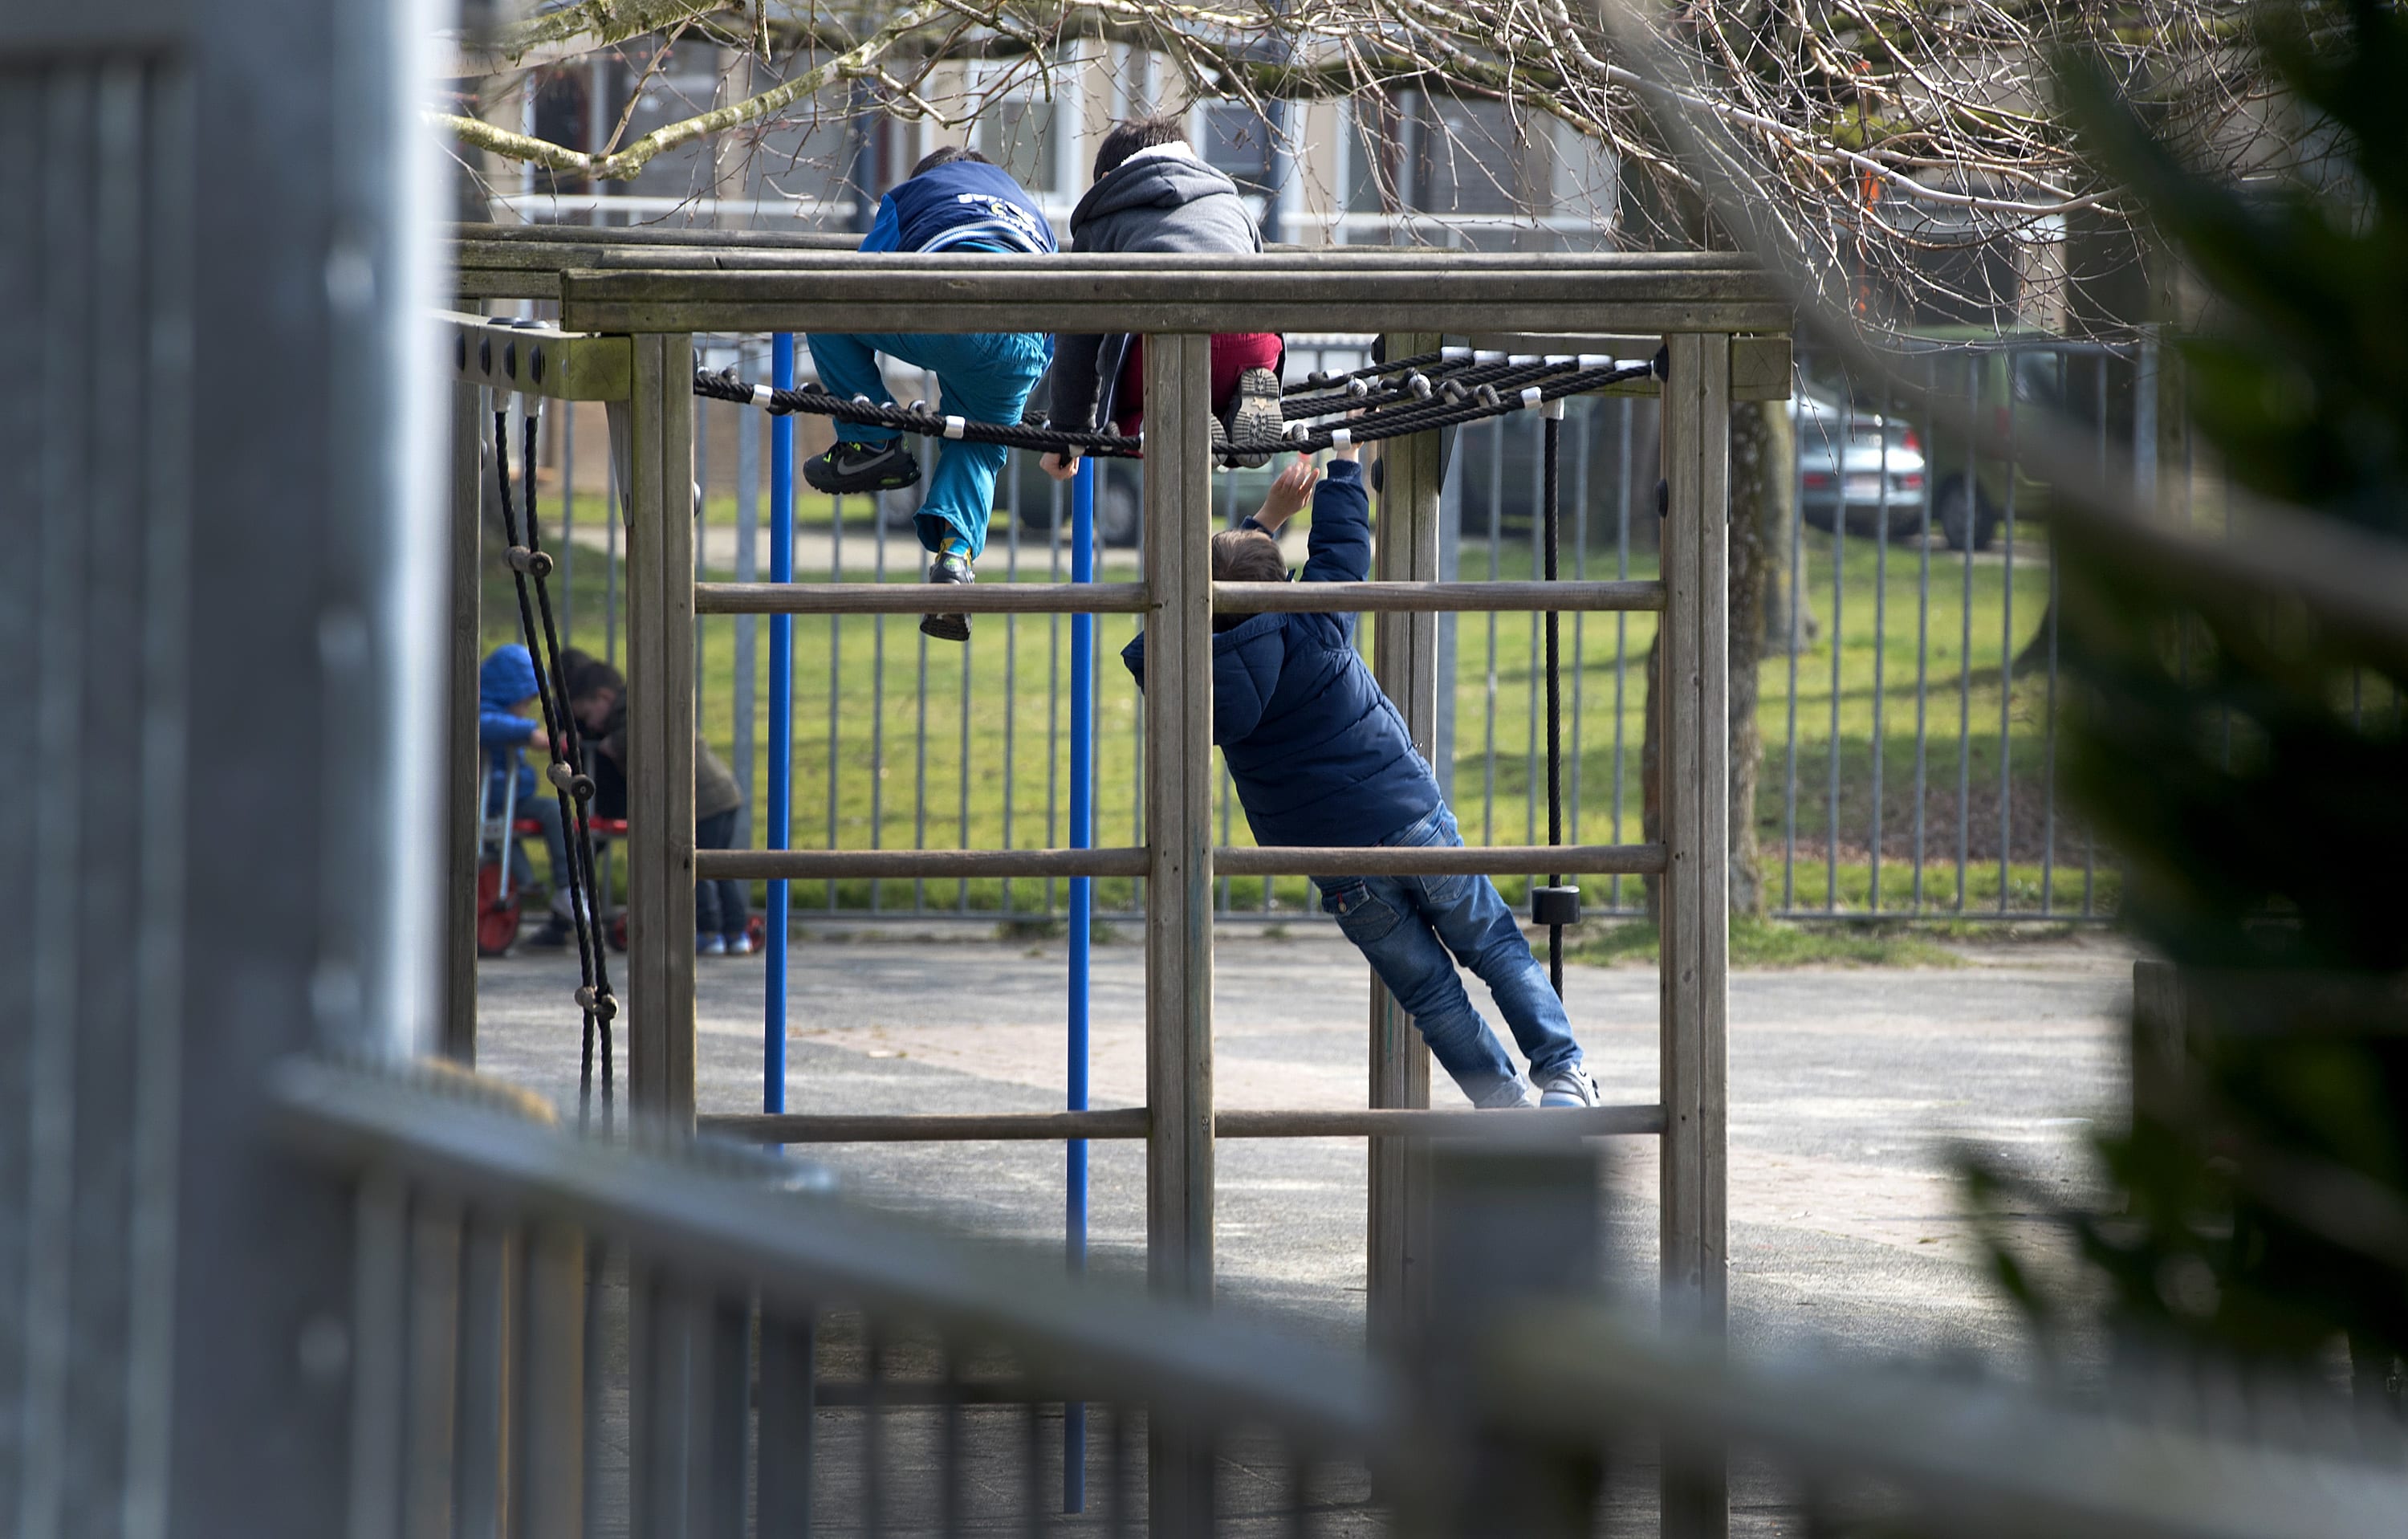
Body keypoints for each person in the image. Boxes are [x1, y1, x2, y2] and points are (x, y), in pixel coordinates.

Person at [1121, 447, 1604, 1109]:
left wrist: (1260, 521)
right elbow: (1344, 546)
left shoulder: (1196, 676)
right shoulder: (1314, 624)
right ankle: (1565, 1071)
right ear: (1283, 585)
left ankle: (1502, 1104)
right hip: (1409, 816)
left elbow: (1202, 598)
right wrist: (1344, 464)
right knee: (1492, 944)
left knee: (1431, 994)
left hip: (1338, 863)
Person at [803, 145, 1057, 643]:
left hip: (948, 311)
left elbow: (861, 280)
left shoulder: (914, 194)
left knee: (820, 303)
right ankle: (955, 564)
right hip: (1026, 340)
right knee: (979, 446)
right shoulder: (1029, 209)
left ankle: (871, 439)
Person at [1039, 115, 1284, 478]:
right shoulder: (1231, 205)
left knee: (1119, 415)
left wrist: (1066, 434)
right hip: (1251, 344)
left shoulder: (1105, 216)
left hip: (1160, 345)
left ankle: (1154, 424)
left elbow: (1078, 333)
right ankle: (1233, 414)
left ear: (1108, 181)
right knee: (1214, 377)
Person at [565, 657, 754, 958]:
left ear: (604, 697)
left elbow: (640, 735)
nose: (591, 725)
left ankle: (709, 931)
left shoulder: (632, 708)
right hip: (721, 796)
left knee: (697, 865)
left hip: (702, 800)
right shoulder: (635, 702)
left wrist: (613, 744)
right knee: (719, 867)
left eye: (589, 715)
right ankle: (735, 931)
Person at [478, 643, 576, 948]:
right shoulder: (481, 710)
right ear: (510, 691)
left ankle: (564, 886)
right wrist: (528, 733)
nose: (526, 709)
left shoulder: (504, 717)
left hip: (511, 800)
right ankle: (548, 886)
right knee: (522, 826)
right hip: (489, 800)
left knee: (552, 812)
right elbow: (485, 724)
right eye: (525, 701)